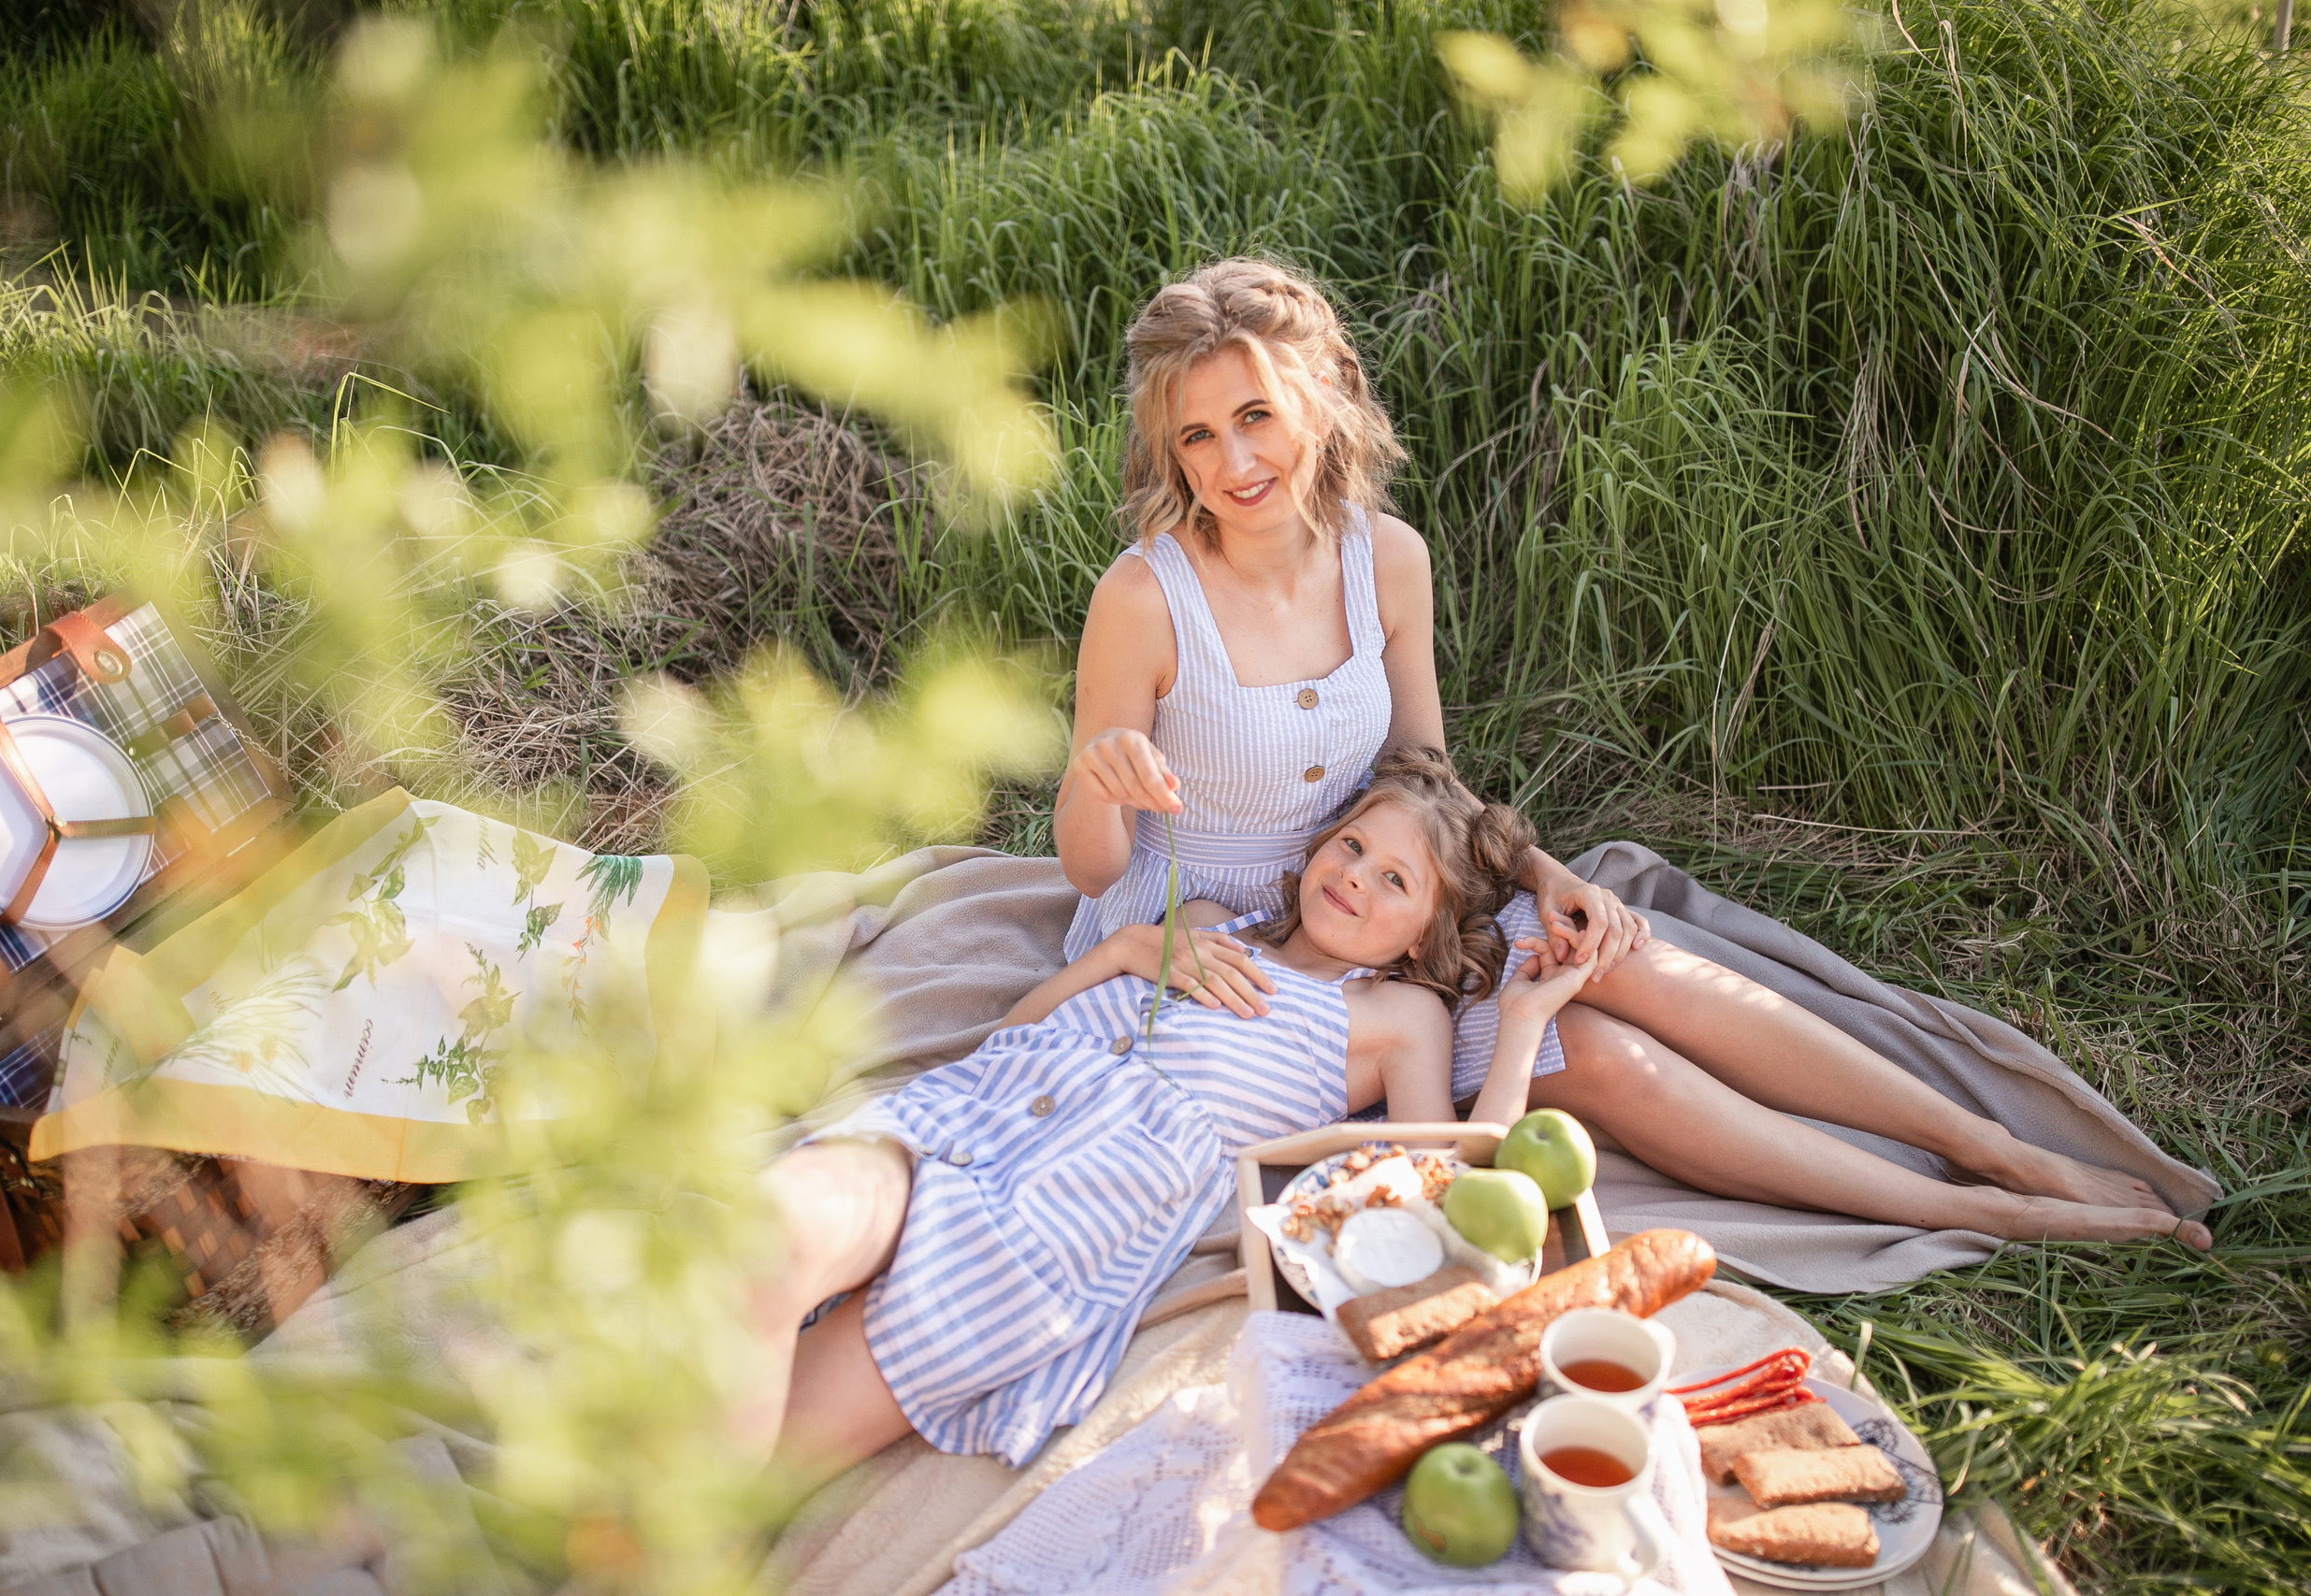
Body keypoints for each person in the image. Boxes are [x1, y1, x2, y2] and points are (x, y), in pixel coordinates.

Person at [1055, 256, 2211, 1255]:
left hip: (1385, 878)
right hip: (1216, 945)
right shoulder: (1144, 595)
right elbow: (1089, 866)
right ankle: (1961, 1212)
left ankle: (1987, 1147)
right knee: (1592, 1054)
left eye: (1253, 415)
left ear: (1321, 398)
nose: (1228, 463)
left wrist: (1536, 873)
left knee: (1612, 950)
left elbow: (1421, 774)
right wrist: (1094, 777)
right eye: (1194, 436)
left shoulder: (1384, 556)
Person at [743, 750, 1594, 1473]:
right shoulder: (1210, 920)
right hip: (976, 1111)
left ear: (1425, 932)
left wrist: (1521, 1025)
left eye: (1396, 878)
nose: (1355, 876)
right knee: (765, 1242)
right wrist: (1122, 949)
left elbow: (1452, 1182)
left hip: (1079, 1200)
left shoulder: (1395, 1019)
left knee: (771, 1457)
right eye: (1352, 844)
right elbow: (1013, 1033)